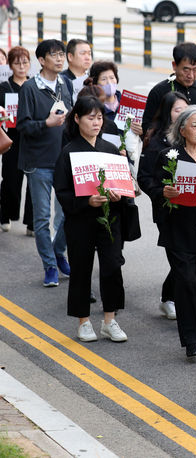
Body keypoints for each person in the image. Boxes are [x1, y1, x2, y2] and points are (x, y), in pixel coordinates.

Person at [145, 106, 196, 358]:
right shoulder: (170, 155)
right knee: (187, 281)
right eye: (195, 125)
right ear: (182, 130)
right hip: (178, 230)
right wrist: (162, 193)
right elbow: (152, 184)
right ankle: (190, 338)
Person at [53, 96, 129, 343]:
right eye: (90, 118)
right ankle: (83, 321)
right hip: (80, 221)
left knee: (112, 267)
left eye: (99, 117)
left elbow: (123, 185)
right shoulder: (69, 152)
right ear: (77, 119)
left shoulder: (109, 149)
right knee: (81, 269)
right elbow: (62, 192)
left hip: (109, 220)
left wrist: (119, 195)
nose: (96, 123)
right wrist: (87, 202)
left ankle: (110, 320)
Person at [17, 39, 73, 287]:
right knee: (41, 218)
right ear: (41, 60)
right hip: (38, 162)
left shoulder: (66, 83)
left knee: (67, 214)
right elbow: (23, 126)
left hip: (64, 160)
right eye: (54, 55)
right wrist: (46, 124)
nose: (60, 59)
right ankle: (50, 266)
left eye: (62, 54)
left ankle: (58, 252)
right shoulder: (29, 88)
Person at [137, 91, 190, 321]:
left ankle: (178, 294)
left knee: (191, 256)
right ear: (168, 113)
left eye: (186, 109)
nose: (183, 114)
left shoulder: (193, 137)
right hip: (167, 210)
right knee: (179, 256)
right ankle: (170, 298)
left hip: (192, 208)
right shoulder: (156, 141)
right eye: (178, 110)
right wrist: (161, 194)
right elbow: (145, 177)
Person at [142, 42, 196, 137]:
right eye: (186, 70)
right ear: (174, 65)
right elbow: (147, 126)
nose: (191, 75)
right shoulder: (159, 91)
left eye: (195, 69)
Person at [0, 46, 33, 236]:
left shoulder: (35, 85)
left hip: (33, 141)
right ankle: (5, 215)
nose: (22, 66)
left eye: (25, 62)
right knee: (11, 181)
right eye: (17, 62)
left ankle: (32, 223)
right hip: (12, 141)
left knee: (35, 183)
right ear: (10, 65)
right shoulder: (4, 87)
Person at [86, 61, 143, 138]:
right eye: (104, 79)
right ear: (96, 83)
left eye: (112, 78)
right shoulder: (93, 106)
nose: (109, 82)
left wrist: (141, 130)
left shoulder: (128, 102)